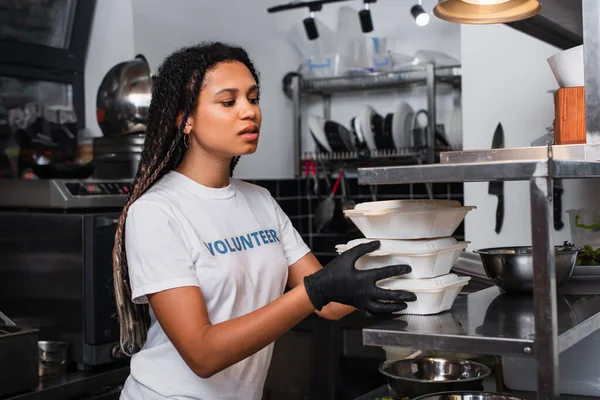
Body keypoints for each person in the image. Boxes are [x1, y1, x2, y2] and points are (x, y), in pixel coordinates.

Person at [112, 42, 416, 400]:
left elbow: (331, 304)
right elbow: (203, 354)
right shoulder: (156, 212)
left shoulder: (260, 201)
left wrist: (413, 267)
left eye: (253, 99)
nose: (249, 112)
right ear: (185, 119)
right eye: (229, 102)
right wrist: (316, 291)